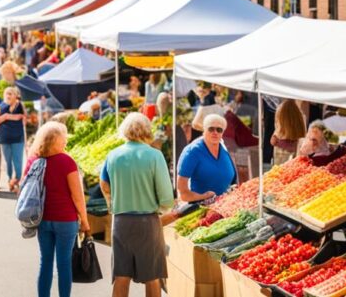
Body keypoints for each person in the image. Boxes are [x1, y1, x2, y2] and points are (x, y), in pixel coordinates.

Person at [100, 113, 175, 297]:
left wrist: (112, 202)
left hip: (120, 222)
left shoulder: (113, 155)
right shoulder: (154, 155)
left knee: (121, 275)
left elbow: (103, 184)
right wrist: (163, 209)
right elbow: (166, 197)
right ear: (147, 131)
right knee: (152, 277)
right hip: (147, 223)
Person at [23, 121, 90, 297]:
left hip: (43, 219)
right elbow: (77, 196)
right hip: (66, 221)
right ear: (57, 141)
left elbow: (24, 189)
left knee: (45, 262)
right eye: (63, 139)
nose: (65, 142)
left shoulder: (35, 161)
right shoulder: (67, 161)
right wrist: (84, 220)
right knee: (63, 264)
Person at [176, 114, 236, 202]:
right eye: (211, 129)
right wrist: (204, 196)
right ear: (204, 130)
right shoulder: (193, 151)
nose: (215, 132)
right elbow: (183, 193)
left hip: (225, 205)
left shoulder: (224, 148)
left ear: (223, 132)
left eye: (219, 130)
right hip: (200, 207)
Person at [0, 86, 27, 193]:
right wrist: (6, 116)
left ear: (15, 95)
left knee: (18, 162)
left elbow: (23, 118)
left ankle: (16, 181)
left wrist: (8, 117)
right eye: (7, 93)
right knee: (7, 162)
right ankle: (10, 180)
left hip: (18, 138)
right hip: (4, 138)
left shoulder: (20, 105)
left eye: (11, 93)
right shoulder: (0, 107)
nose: (8, 96)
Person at [271, 100, 307, 165]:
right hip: (291, 162)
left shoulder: (280, 130)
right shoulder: (300, 119)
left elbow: (272, 141)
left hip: (284, 162)